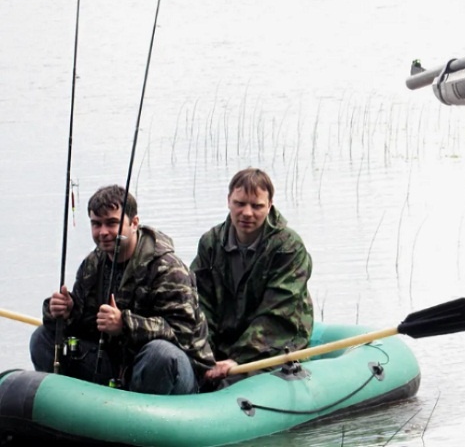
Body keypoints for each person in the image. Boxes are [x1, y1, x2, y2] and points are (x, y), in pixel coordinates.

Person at [30, 185, 214, 394]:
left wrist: (124, 324)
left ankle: (142, 419)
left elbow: (183, 335)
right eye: (96, 224)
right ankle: (64, 411)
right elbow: (87, 326)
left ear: (134, 223)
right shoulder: (92, 264)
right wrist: (67, 311)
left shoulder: (168, 268)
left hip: (173, 370)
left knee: (160, 354)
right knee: (42, 338)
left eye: (112, 223)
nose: (103, 233)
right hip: (115, 365)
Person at [191, 167, 313, 384]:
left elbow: (276, 314)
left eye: (257, 206)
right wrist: (204, 356)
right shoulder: (210, 243)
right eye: (240, 203)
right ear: (229, 201)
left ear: (269, 205)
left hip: (279, 341)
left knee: (229, 383)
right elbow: (200, 303)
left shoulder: (288, 247)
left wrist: (238, 359)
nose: (247, 213)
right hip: (226, 338)